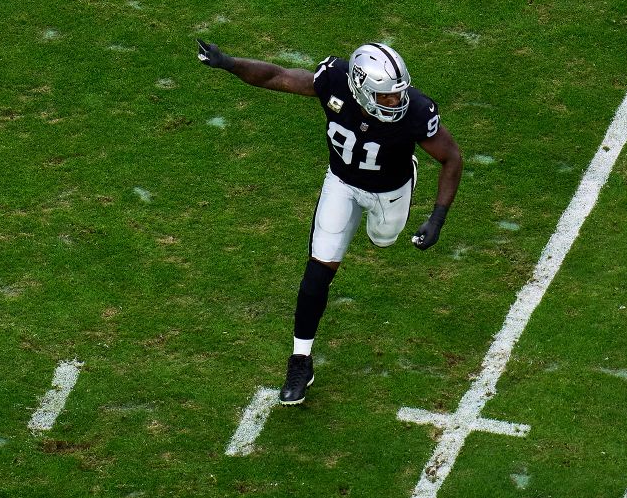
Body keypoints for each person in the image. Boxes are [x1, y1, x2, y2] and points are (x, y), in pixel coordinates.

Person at [197, 40, 462, 405]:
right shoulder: (335, 81)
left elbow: (451, 158)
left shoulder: (416, 112)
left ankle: (407, 174)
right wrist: (228, 62)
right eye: (385, 97)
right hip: (341, 184)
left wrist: (437, 218)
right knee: (316, 273)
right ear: (360, 88)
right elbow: (277, 76)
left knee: (383, 240)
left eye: (398, 94)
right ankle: (301, 360)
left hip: (389, 190)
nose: (395, 102)